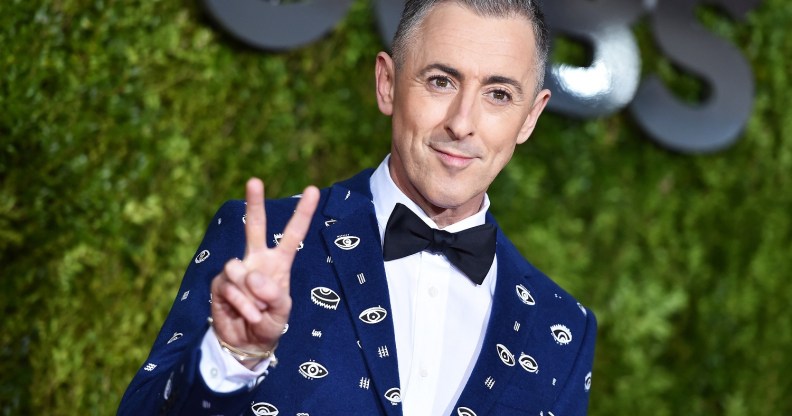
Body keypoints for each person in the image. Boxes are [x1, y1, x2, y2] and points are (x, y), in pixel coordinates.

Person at [118, 0, 597, 414]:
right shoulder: (259, 240)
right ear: (387, 83)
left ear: (530, 117)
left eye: (498, 94)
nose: (462, 123)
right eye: (441, 81)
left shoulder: (563, 330)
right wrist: (231, 359)